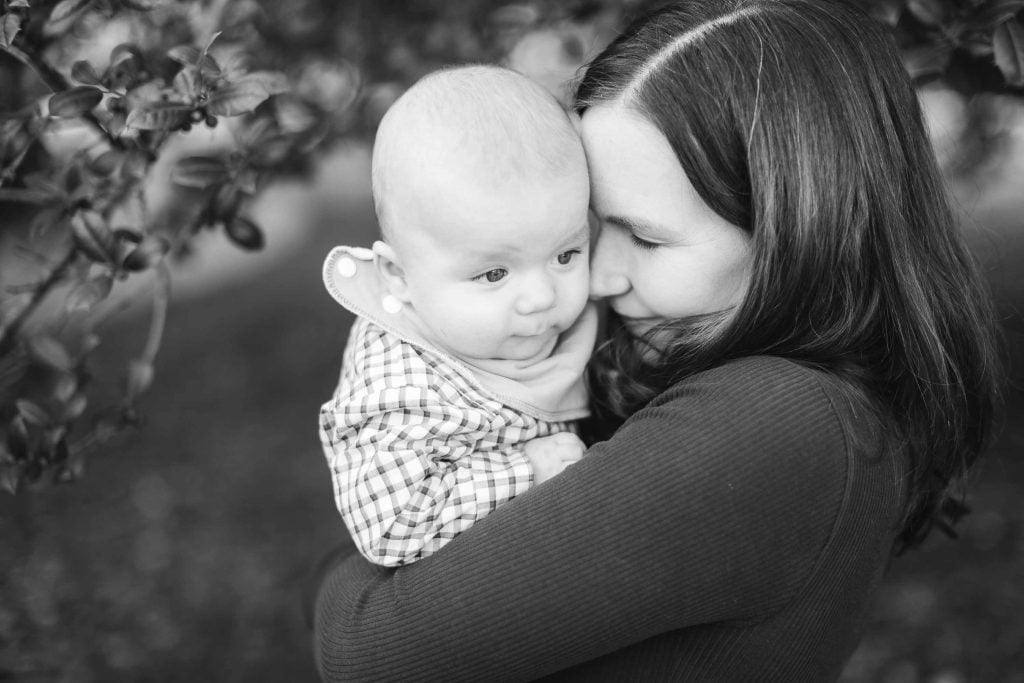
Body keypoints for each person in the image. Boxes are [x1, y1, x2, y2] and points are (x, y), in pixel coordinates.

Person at [312, 0, 1000, 679]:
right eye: (588, 231)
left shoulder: (778, 422)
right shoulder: (742, 388)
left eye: (643, 236)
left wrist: (350, 568)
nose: (596, 278)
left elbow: (369, 648)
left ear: (798, 233)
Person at [318, 65, 597, 567]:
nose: (541, 297)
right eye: (493, 275)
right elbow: (391, 525)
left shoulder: (547, 318)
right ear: (399, 276)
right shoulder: (399, 385)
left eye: (565, 255)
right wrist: (524, 468)